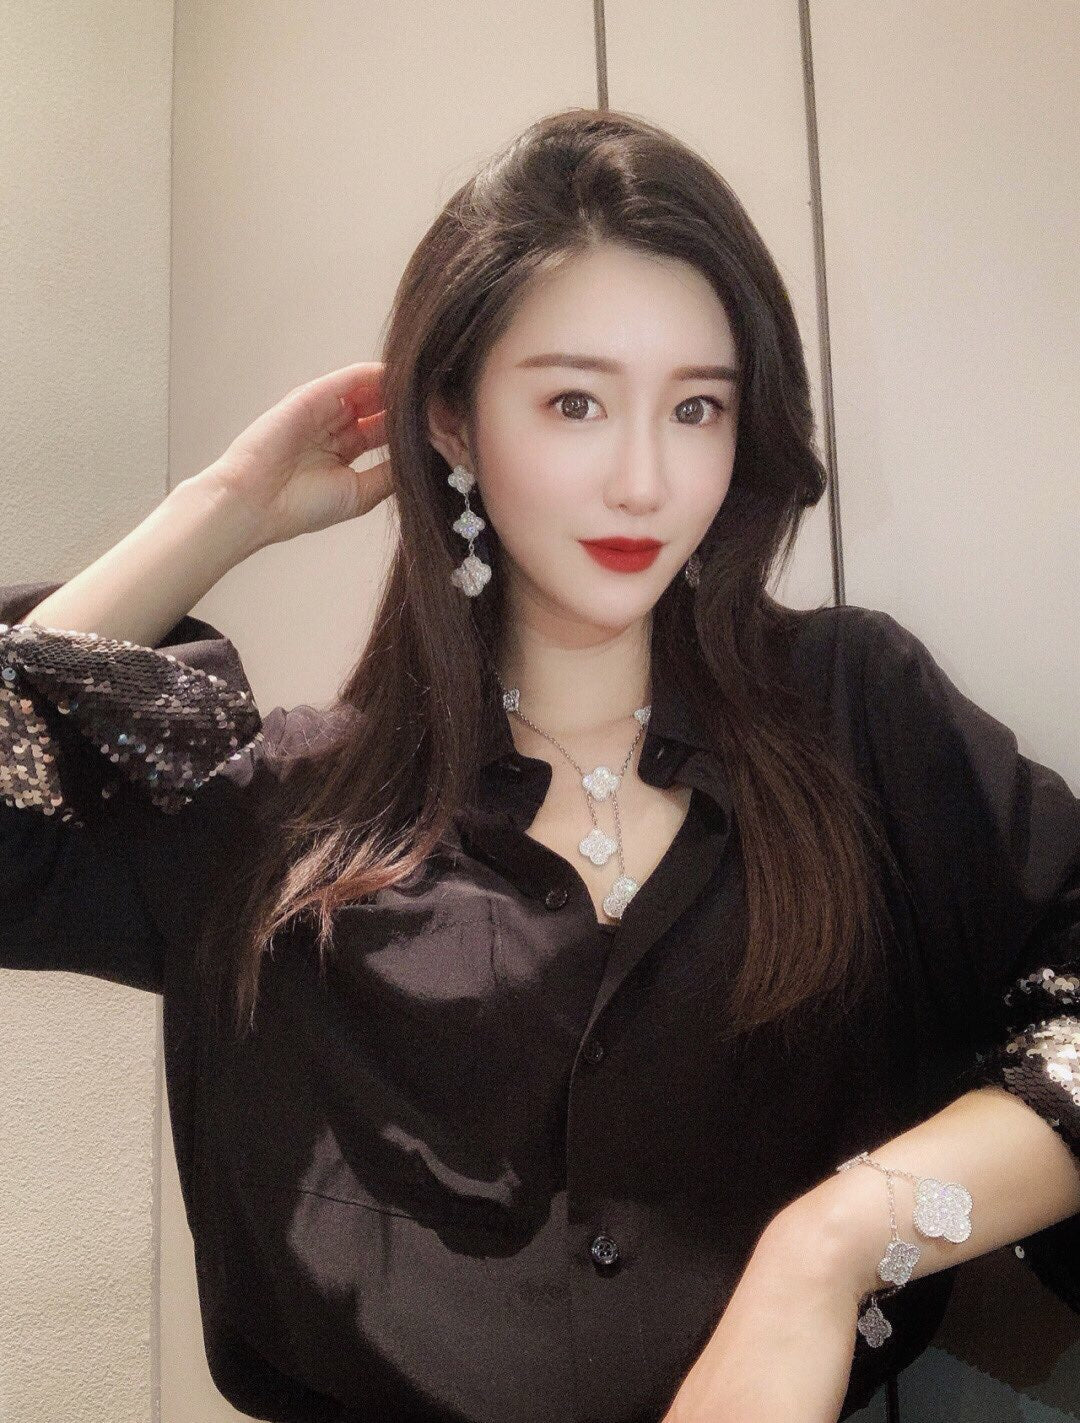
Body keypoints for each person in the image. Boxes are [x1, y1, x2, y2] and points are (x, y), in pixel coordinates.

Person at [1, 108, 1077, 1423]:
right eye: (575, 403)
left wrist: (835, 1244)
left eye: (696, 408)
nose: (643, 480)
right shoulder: (271, 819)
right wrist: (218, 510)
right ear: (453, 420)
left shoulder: (855, 719)